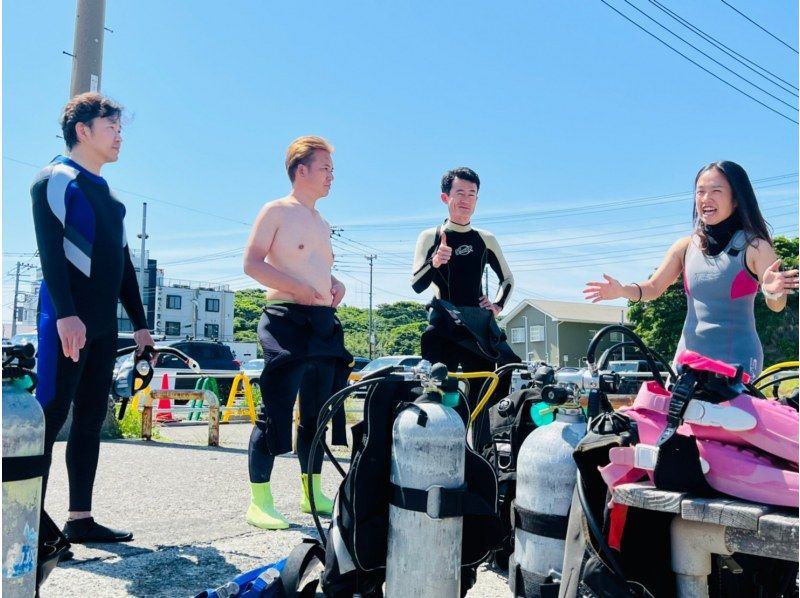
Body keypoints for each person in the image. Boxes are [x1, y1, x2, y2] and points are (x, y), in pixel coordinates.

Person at [32, 92, 154, 544]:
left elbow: (123, 267)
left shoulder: (110, 198)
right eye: (111, 128)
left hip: (103, 326)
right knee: (49, 415)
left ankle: (79, 519)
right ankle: (27, 526)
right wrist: (66, 315)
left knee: (89, 418)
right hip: (66, 320)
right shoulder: (56, 179)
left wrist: (140, 324)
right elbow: (50, 252)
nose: (119, 136)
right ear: (83, 131)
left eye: (120, 128)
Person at [583, 160, 798, 379]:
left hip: (737, 361)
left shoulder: (755, 247)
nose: (706, 198)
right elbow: (653, 287)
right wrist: (621, 290)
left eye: (716, 191)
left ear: (736, 199)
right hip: (687, 362)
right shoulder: (685, 247)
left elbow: (777, 305)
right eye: (700, 192)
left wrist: (772, 291)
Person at [242, 136, 352, 530]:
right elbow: (252, 263)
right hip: (286, 320)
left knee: (317, 415)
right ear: (301, 170)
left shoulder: (322, 223)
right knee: (275, 412)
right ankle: (260, 501)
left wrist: (335, 284)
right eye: (325, 169)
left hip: (322, 323)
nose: (331, 176)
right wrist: (297, 288)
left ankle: (311, 492)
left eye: (332, 170)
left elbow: (317, 269)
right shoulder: (276, 210)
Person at [411, 167, 519, 450]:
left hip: (476, 328)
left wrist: (497, 305)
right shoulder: (430, 236)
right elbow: (417, 285)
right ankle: (437, 450)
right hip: (442, 324)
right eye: (460, 192)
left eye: (472, 194)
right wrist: (435, 262)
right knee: (438, 393)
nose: (466, 200)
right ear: (445, 197)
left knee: (484, 395)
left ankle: (482, 454)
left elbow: (507, 279)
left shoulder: (485, 239)